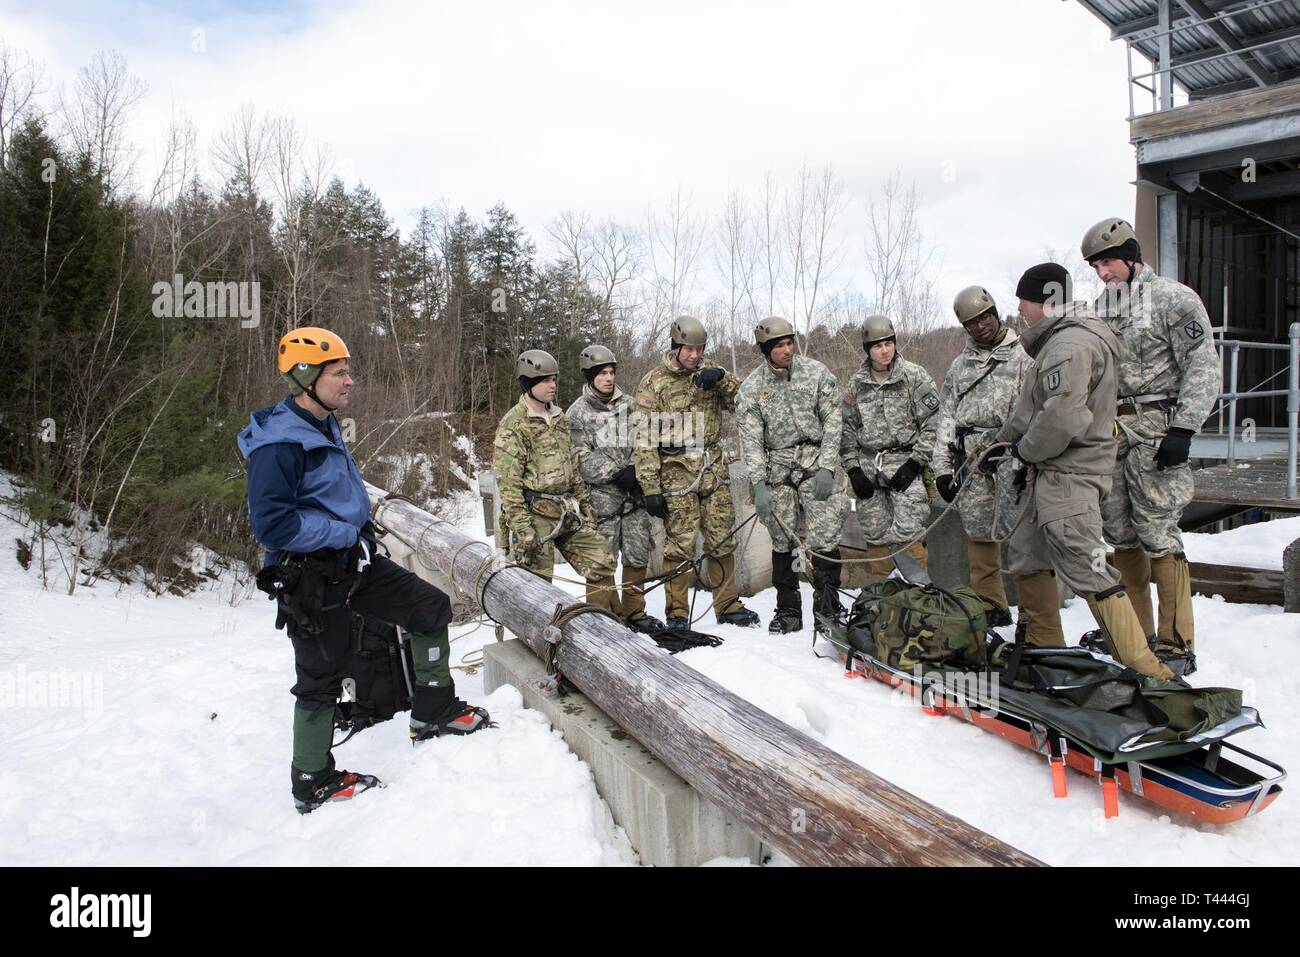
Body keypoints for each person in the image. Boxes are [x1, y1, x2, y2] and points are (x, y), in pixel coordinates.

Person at [238, 326, 491, 815]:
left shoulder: (322, 423)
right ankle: (312, 779)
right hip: (310, 575)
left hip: (352, 562)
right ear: (307, 376)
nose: (350, 380)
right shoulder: (280, 444)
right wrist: (340, 535)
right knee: (321, 675)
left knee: (428, 606)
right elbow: (272, 525)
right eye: (339, 372)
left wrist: (359, 531)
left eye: (348, 370)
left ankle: (433, 710)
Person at [993, 265, 1176, 680]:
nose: (1019, 308)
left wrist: (1023, 450)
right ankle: (1044, 653)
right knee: (1029, 555)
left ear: (1045, 300)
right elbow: (1034, 411)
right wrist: (1003, 443)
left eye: (1024, 300)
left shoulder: (1069, 346)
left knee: (1087, 565)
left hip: (1067, 476)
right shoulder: (1061, 341)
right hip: (1047, 474)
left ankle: (1146, 669)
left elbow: (1061, 418)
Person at [1083, 218, 1221, 676]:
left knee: (1159, 533)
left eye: (1107, 262)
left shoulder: (1172, 298)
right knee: (1120, 534)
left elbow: (1202, 364)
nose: (1102, 273)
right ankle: (1136, 636)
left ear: (1130, 255)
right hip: (1112, 433)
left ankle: (1177, 641)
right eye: (1095, 266)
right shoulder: (1100, 310)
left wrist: (1184, 428)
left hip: (1158, 429)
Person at [632, 316, 760, 629]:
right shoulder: (654, 382)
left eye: (699, 349)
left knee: (722, 538)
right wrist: (649, 488)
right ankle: (677, 613)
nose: (694, 355)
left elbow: (744, 403)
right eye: (688, 349)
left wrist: (723, 380)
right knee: (679, 545)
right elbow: (643, 439)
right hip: (676, 474)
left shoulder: (710, 372)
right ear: (675, 347)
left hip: (713, 468)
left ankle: (727, 605)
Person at [736, 317, 847, 634]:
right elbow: (753, 441)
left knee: (825, 534)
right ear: (765, 350)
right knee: (781, 539)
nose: (787, 350)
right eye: (779, 346)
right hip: (778, 466)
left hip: (814, 462)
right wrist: (757, 486)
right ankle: (787, 610)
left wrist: (827, 466)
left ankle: (828, 609)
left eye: (789, 343)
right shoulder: (752, 389)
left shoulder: (815, 373)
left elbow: (833, 422)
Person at [931, 286, 1032, 628]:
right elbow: (946, 417)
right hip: (970, 457)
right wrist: (942, 469)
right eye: (971, 323)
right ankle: (990, 603)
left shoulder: (1023, 357)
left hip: (1011, 455)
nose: (980, 327)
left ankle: (1033, 611)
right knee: (977, 531)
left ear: (995, 313)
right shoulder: (961, 366)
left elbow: (1035, 412)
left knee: (1018, 531)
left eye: (984, 318)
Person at [493, 349, 619, 613]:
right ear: (529, 384)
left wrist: (585, 506)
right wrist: (524, 529)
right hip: (535, 514)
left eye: (554, 380)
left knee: (601, 561)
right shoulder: (514, 425)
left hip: (566, 510)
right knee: (537, 586)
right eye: (545, 381)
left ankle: (599, 625)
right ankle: (541, 642)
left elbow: (572, 468)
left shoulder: (559, 419)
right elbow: (508, 486)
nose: (552, 386)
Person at [565, 345, 664, 634]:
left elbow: (647, 440)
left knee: (637, 555)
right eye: (602, 374)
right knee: (601, 560)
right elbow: (579, 457)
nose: (608, 378)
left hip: (634, 497)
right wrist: (615, 473)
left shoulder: (632, 405)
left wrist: (636, 470)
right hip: (602, 501)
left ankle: (635, 612)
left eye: (611, 372)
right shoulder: (577, 414)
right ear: (589, 376)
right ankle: (602, 618)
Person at [840, 315, 940, 581]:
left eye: (888, 343)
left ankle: (918, 598)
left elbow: (933, 423)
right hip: (868, 465)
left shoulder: (914, 376)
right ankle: (883, 602)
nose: (884, 350)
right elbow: (846, 429)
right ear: (867, 350)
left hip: (905, 463)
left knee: (909, 531)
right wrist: (852, 469)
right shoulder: (857, 383)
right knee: (874, 532)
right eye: (876, 346)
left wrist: (915, 463)